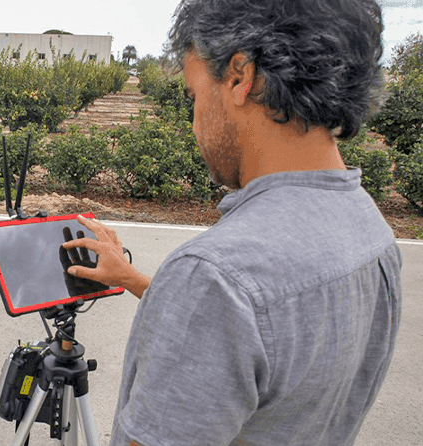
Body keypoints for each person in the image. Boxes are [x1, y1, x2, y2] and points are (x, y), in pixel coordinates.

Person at [61, 0, 402, 444]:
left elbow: (230, 299)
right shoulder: (370, 228)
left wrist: (189, 290)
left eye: (195, 94)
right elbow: (263, 329)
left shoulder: (215, 276)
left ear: (240, 76)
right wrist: (131, 278)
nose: (196, 121)